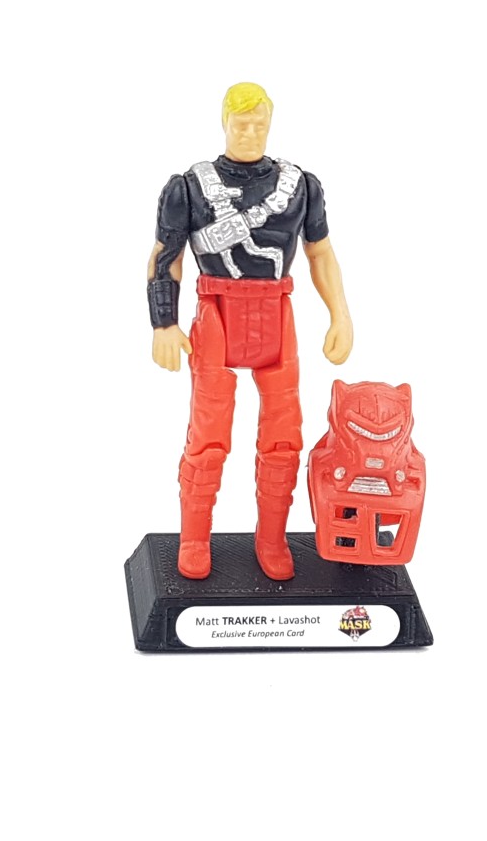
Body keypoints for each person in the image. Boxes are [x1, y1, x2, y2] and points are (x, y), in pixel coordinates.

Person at [147, 82, 353, 580]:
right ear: (225, 123)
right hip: (216, 313)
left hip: (276, 313)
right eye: (241, 124)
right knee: (208, 436)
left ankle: (272, 538)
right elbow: (166, 256)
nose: (250, 133)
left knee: (283, 438)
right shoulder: (189, 188)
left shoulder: (300, 186)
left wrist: (341, 314)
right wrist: (164, 322)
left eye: (259, 124)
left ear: (270, 124)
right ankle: (194, 537)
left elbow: (321, 253)